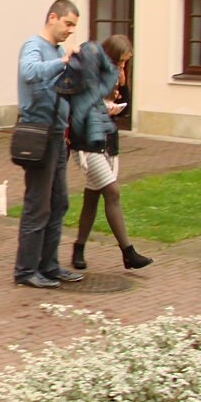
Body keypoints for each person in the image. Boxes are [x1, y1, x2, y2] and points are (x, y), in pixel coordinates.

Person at [13, 0, 85, 289]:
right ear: (52, 17)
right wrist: (63, 62)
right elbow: (29, 73)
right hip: (38, 134)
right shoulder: (33, 45)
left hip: (56, 134)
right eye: (68, 23)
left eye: (74, 26)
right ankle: (25, 270)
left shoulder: (55, 50)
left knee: (58, 202)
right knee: (37, 204)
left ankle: (49, 265)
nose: (70, 30)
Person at [68, 34, 153, 271]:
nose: (123, 65)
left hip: (106, 139)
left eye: (126, 62)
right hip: (86, 141)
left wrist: (122, 84)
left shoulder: (116, 72)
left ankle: (79, 248)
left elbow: (123, 107)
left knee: (92, 197)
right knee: (112, 192)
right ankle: (128, 252)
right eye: (121, 60)